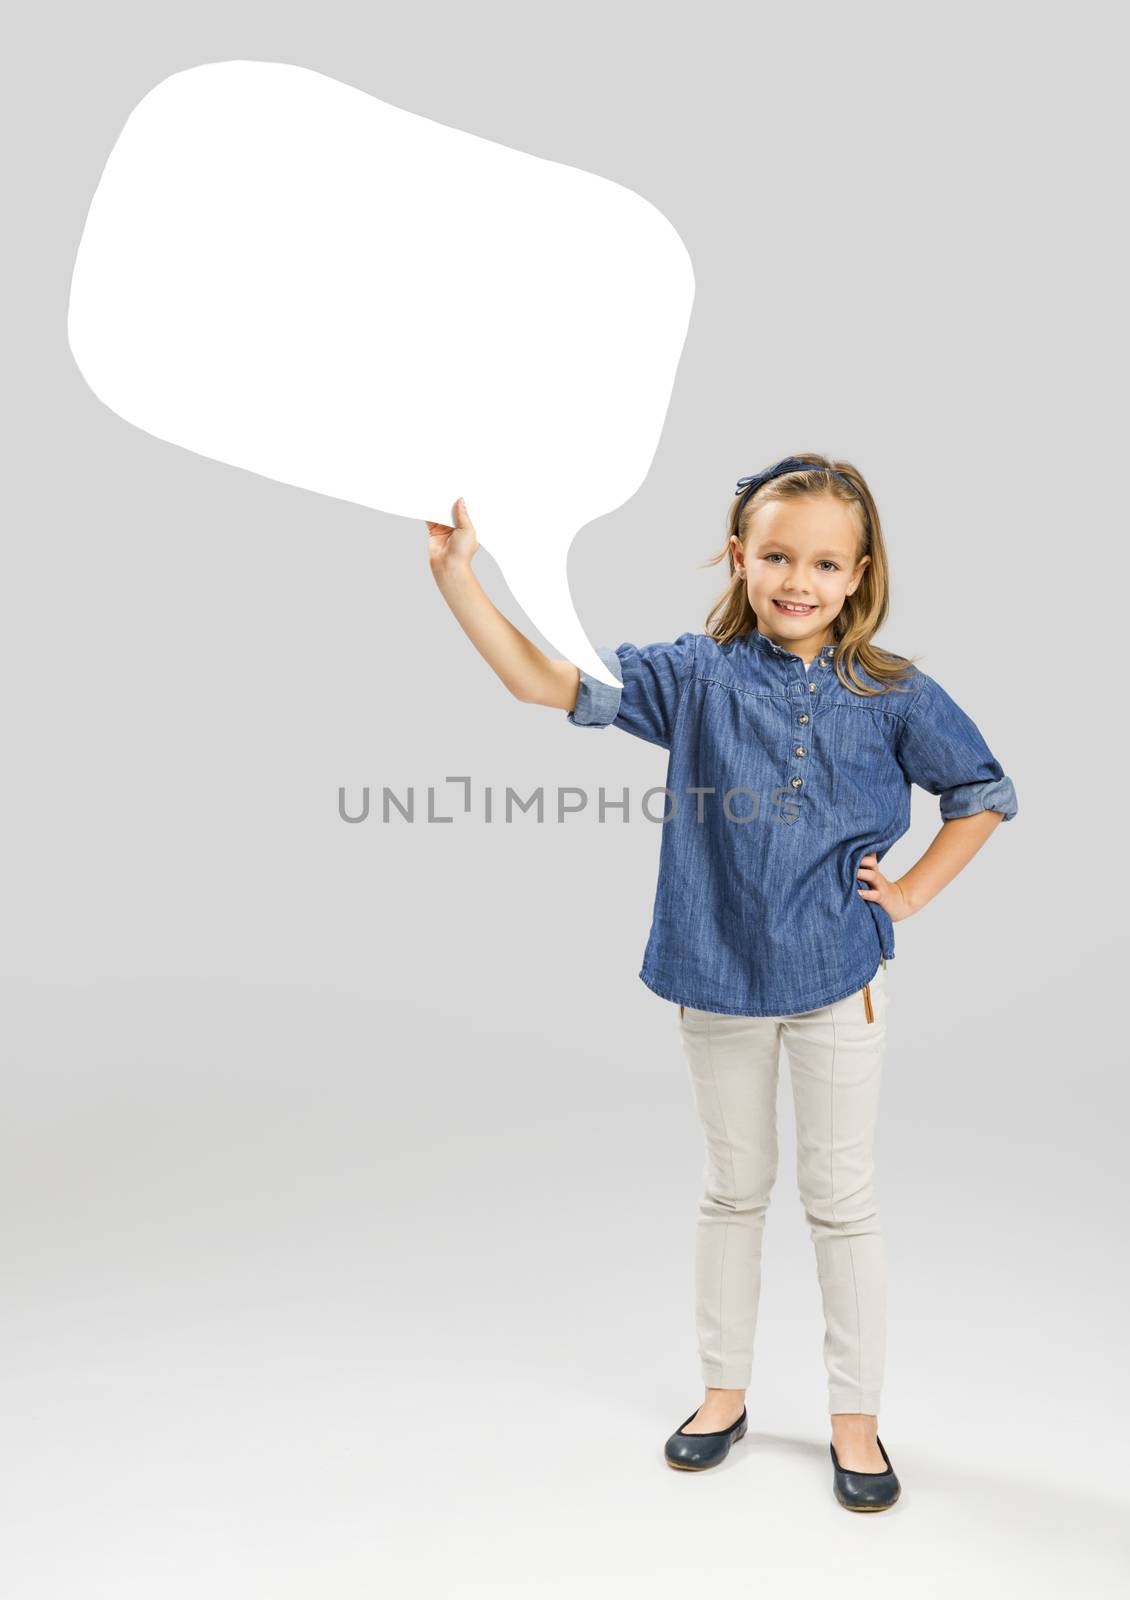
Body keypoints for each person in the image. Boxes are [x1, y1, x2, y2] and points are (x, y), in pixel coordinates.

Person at [426, 454, 1018, 1512]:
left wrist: (916, 889)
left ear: (858, 572)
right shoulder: (689, 676)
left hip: (837, 979)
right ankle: (721, 1394)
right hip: (715, 972)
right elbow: (536, 677)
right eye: (778, 554)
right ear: (740, 557)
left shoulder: (890, 692)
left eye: (824, 561)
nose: (799, 578)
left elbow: (980, 789)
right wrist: (459, 578)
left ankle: (853, 1420)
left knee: (839, 1202)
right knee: (731, 1191)